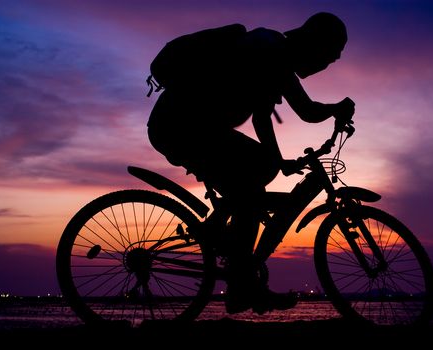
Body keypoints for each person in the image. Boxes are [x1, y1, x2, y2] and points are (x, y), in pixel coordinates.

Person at [147, 12, 355, 314]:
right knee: (253, 187)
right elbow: (291, 112)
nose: (328, 63)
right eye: (330, 54)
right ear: (315, 41)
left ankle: (224, 243)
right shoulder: (271, 51)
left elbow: (282, 114)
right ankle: (242, 284)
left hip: (190, 126)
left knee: (260, 170)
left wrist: (280, 160)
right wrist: (336, 108)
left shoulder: (274, 52)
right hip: (182, 126)